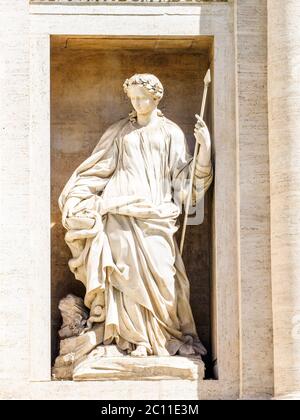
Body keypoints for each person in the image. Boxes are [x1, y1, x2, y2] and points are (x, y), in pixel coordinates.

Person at [59, 73, 213, 357]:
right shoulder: (119, 132)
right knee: (123, 275)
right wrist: (78, 197)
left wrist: (204, 150)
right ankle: (132, 340)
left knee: (165, 278)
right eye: (133, 98)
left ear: (157, 97)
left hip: (155, 214)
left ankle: (162, 338)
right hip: (118, 211)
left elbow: (185, 182)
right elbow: (97, 169)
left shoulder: (171, 133)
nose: (138, 102)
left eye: (143, 97)